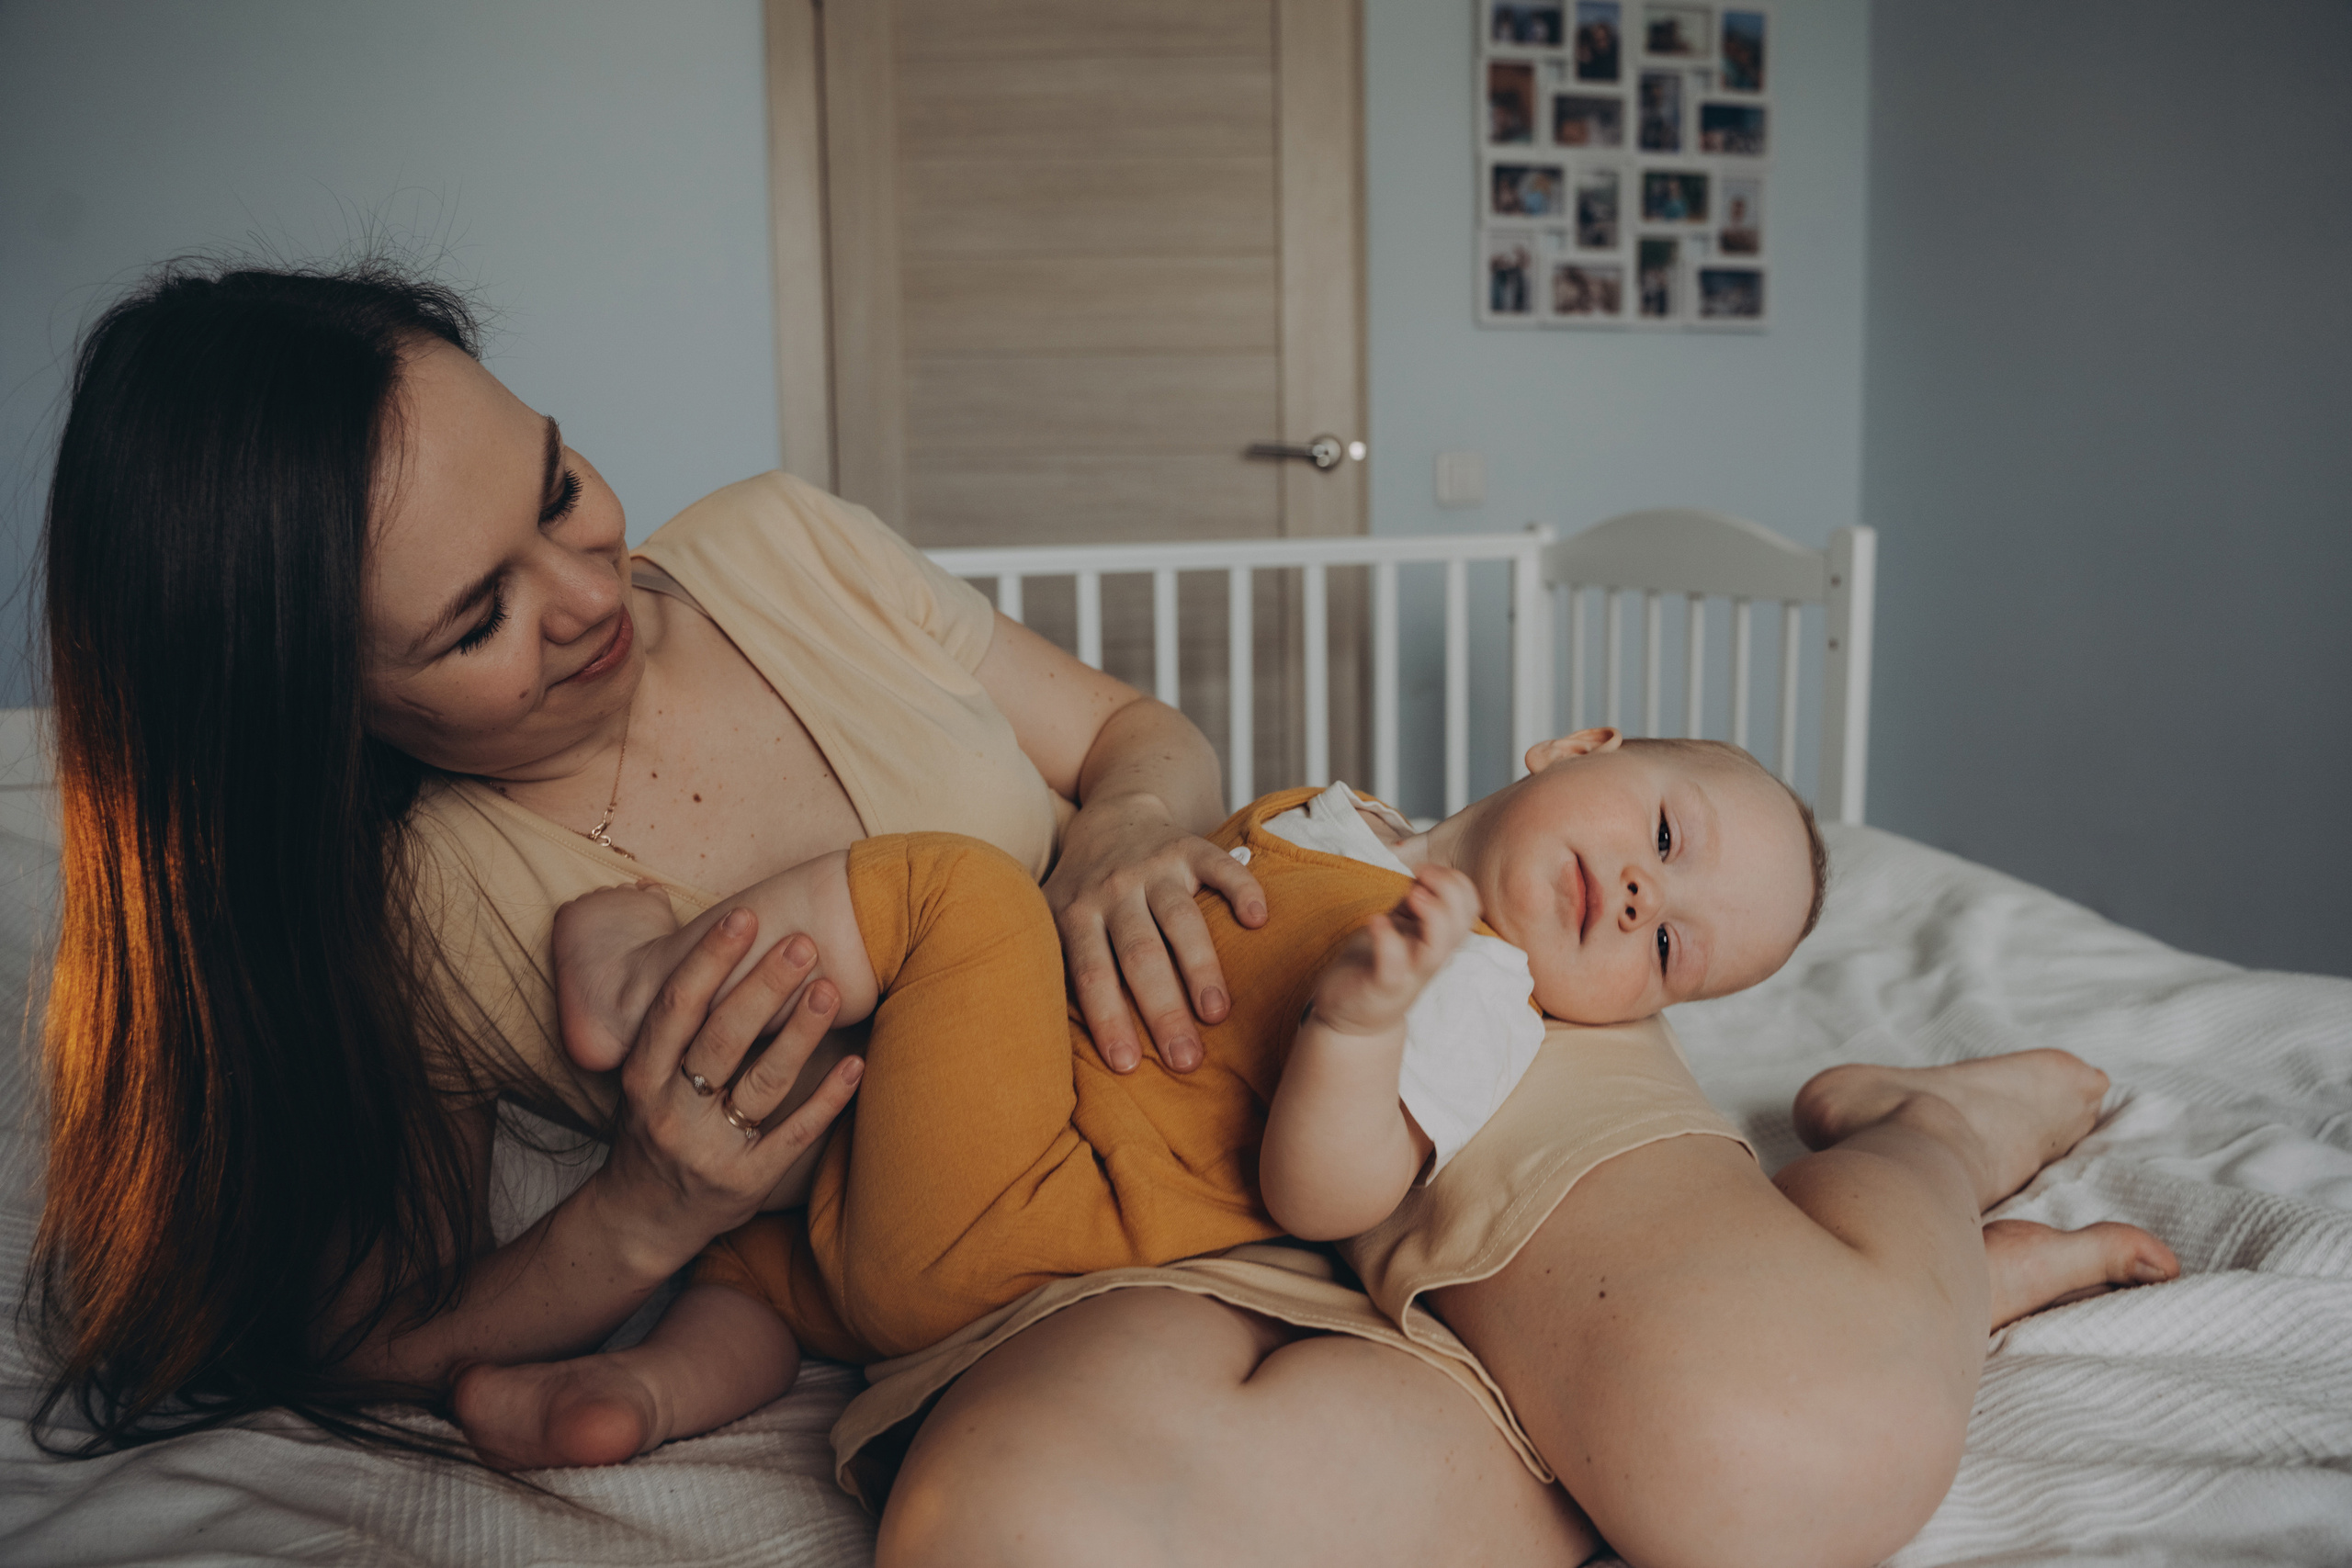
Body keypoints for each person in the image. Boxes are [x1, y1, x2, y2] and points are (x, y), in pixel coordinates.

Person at [32, 260, 2178, 1568]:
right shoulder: (421, 906)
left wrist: (1120, 839)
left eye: (563, 486)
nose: (597, 593)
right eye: (483, 616)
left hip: (1370, 1075)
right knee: (1021, 1523)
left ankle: (1919, 1151)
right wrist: (641, 1213)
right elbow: (342, 1330)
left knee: (1762, 1422)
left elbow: (1140, 735)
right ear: (308, 696)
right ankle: (1887, 1235)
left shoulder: (778, 541)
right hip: (1066, 1269)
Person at [450, 731, 1825, 1464]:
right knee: (751, 1279)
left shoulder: (1463, 991)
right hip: (922, 1193)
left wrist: (1354, 1028)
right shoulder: (1337, 817)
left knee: (961, 892)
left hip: (1019, 1205)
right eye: (1662, 837)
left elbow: (1329, 1193)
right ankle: (637, 1398)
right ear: (1572, 745)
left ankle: (644, 986)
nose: (1647, 896)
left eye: (1669, 950)